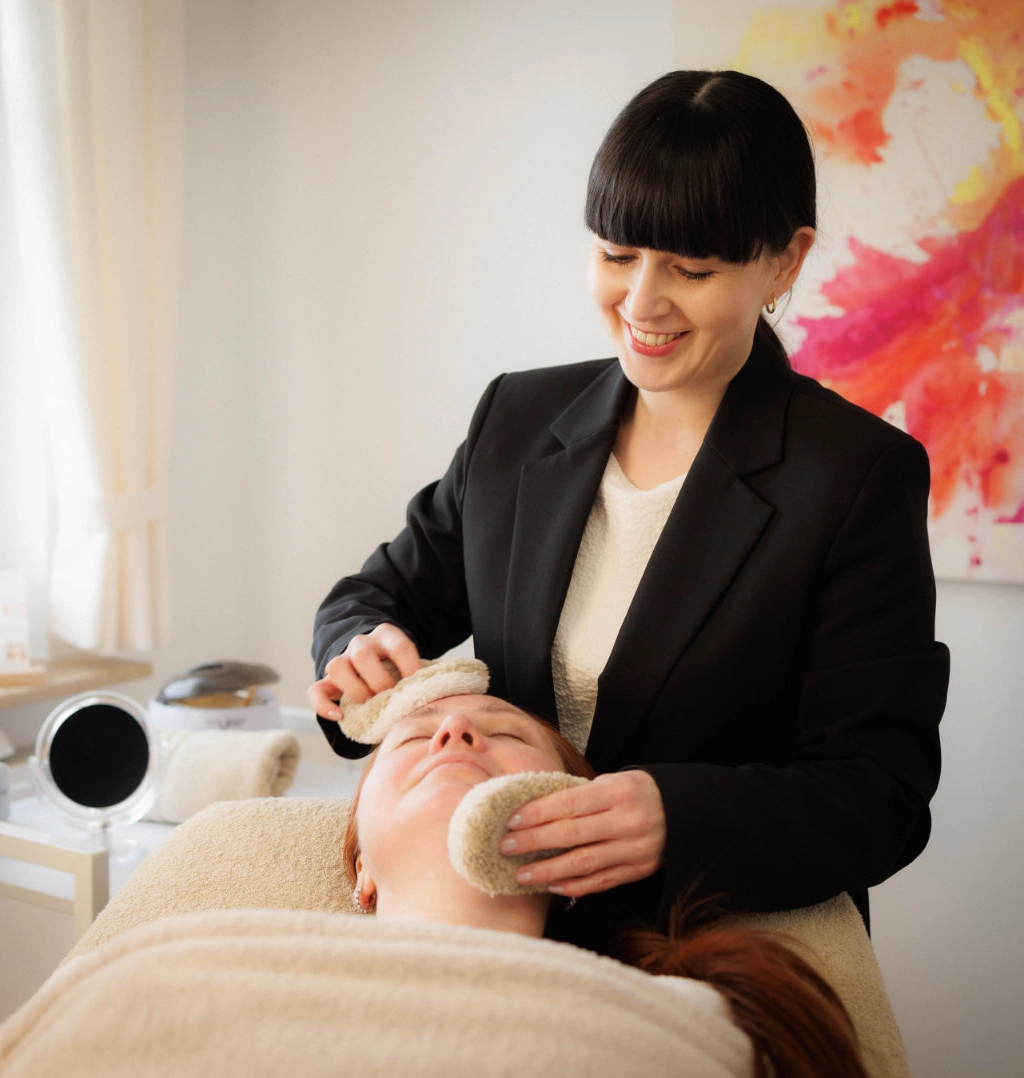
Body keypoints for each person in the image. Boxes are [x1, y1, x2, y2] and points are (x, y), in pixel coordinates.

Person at [310, 69, 950, 929]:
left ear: (786, 261)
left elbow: (880, 794)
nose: (642, 303)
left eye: (692, 268)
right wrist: (358, 650)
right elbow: (372, 598)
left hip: (704, 932)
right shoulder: (518, 418)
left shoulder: (855, 477)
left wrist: (679, 819)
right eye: (617, 255)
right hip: (502, 916)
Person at [343, 688, 872, 1078]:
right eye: (413, 737)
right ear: (361, 868)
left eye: (508, 734)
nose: (455, 729)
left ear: (584, 838)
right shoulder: (286, 953)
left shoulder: (690, 1024)